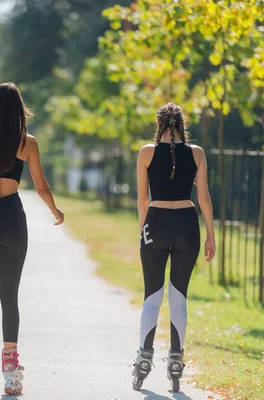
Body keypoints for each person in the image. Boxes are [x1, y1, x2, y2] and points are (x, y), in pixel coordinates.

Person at [0, 82, 64, 395]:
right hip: (12, 217)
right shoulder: (27, 143)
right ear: (19, 111)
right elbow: (42, 187)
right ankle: (10, 372)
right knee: (9, 295)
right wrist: (55, 211)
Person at [133, 103, 216, 392]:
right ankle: (176, 362)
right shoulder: (197, 154)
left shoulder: (146, 152)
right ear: (182, 124)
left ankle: (144, 359)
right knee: (178, 296)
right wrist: (211, 235)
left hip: (155, 224)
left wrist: (144, 230)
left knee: (152, 296)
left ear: (159, 124)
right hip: (186, 225)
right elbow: (204, 198)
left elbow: (142, 200)